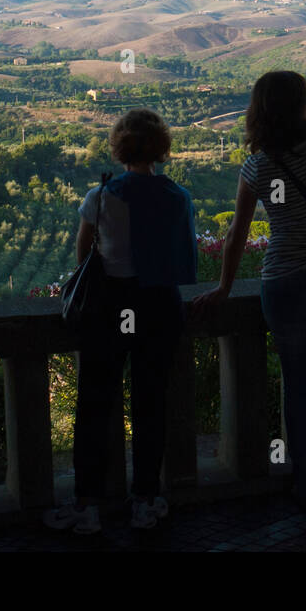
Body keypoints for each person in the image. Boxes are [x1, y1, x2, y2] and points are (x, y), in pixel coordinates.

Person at [193, 71, 306, 523]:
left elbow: (236, 235)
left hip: (283, 284)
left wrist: (224, 287)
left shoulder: (259, 166)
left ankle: (305, 485)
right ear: (303, 105)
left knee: (297, 387)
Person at [44, 108, 197, 534]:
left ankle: (86, 504)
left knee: (94, 405)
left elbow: (84, 254)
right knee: (151, 405)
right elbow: (185, 260)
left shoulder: (102, 195)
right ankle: (145, 501)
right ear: (161, 148)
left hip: (110, 307)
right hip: (160, 307)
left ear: (118, 147)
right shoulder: (178, 197)